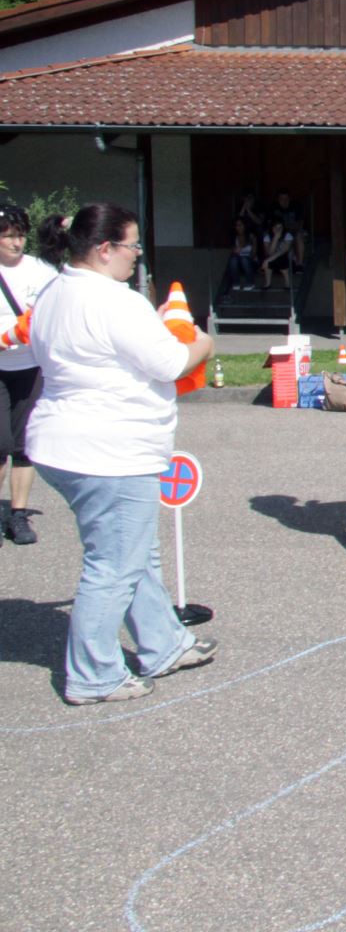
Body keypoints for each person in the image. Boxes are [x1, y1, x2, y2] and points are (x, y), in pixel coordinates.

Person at [26, 205, 217, 704]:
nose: (137, 256)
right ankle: (93, 675)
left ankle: (164, 643)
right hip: (109, 451)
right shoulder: (115, 300)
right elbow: (170, 362)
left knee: (135, 554)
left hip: (62, 443)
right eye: (132, 246)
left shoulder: (53, 292)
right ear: (105, 248)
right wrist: (204, 343)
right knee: (112, 565)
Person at [1, 204, 59, 545]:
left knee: (24, 445)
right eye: (8, 236)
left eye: (20, 235)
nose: (16, 243)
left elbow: (58, 308)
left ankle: (18, 515)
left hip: (30, 366)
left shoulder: (42, 271)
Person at [259, 219, 294, 290]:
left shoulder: (288, 235)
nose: (278, 230)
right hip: (272, 258)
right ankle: (268, 283)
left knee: (281, 258)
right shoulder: (267, 236)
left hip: (287, 258)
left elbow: (283, 251)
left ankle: (287, 283)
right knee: (269, 258)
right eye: (276, 227)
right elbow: (269, 253)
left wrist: (267, 260)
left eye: (280, 228)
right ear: (272, 228)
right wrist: (275, 238)